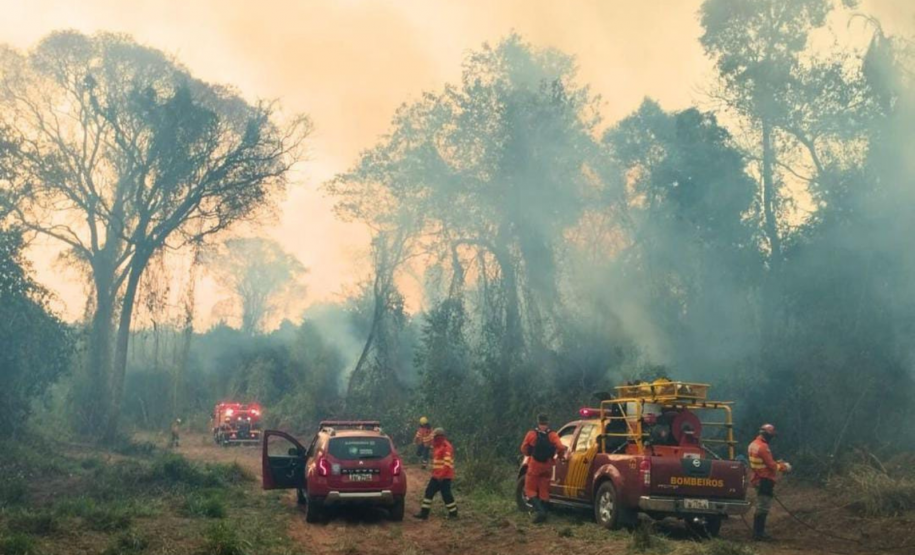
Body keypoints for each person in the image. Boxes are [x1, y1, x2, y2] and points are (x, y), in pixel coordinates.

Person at [520, 414, 568, 523]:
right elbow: (560, 447)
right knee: (544, 490)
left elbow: (523, 448)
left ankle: (540, 512)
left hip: (534, 465)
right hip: (547, 465)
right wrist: (560, 455)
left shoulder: (531, 434)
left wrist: (529, 453)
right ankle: (544, 514)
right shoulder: (553, 435)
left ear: (538, 422)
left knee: (529, 489)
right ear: (547, 422)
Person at [748, 423, 792, 541]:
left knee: (761, 506)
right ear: (767, 434)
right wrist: (784, 467)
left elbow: (764, 462)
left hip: (757, 477)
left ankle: (758, 532)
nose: (772, 437)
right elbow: (772, 466)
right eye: (771, 435)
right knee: (763, 507)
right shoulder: (763, 447)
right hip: (765, 480)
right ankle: (758, 534)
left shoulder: (753, 444)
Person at [414, 428, 458, 520]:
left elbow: (447, 465)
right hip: (436, 476)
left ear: (440, 437)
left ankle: (453, 514)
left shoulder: (446, 447)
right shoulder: (437, 446)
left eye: (435, 437)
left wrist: (441, 476)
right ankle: (424, 513)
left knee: (446, 495)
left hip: (444, 477)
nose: (433, 439)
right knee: (429, 492)